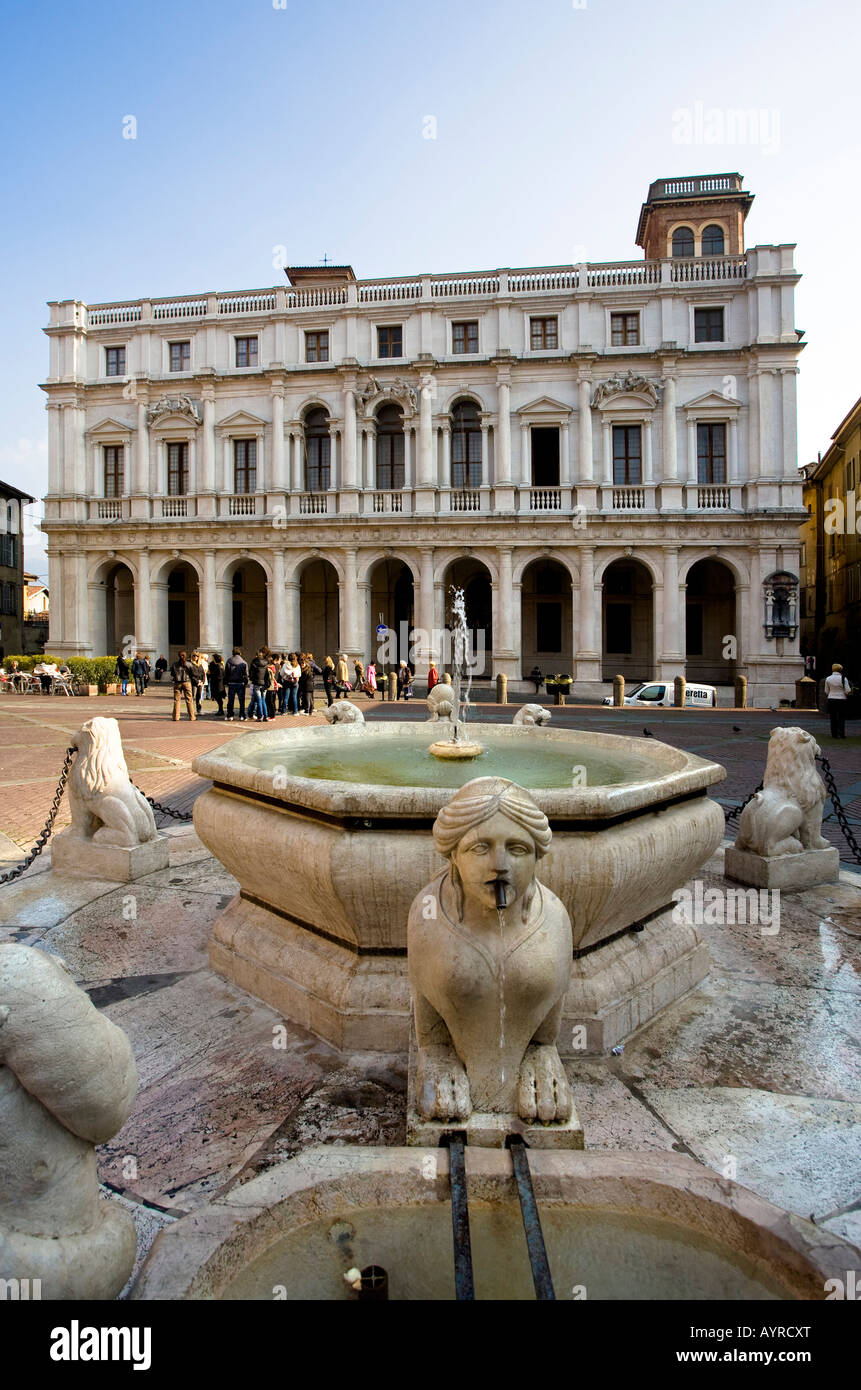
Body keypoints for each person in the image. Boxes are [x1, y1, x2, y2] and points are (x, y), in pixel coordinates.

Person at [824, 663, 852, 739]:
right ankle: (841, 733)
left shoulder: (828, 679)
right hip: (842, 699)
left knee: (833, 717)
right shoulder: (843, 678)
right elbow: (847, 690)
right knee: (841, 717)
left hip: (831, 699)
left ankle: (834, 734)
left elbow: (826, 691)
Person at [170, 650, 196, 722]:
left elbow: (172, 674)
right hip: (187, 682)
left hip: (177, 682)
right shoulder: (189, 664)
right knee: (189, 700)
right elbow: (193, 673)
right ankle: (192, 716)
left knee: (177, 700)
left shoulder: (174, 664)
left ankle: (176, 716)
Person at [225, 647, 248, 721]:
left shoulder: (229, 661)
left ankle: (230, 715)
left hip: (231, 682)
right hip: (240, 683)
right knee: (241, 701)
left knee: (230, 700)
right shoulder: (244, 662)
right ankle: (242, 715)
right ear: (240, 653)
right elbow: (246, 674)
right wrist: (245, 682)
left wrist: (226, 681)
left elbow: (226, 672)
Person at [249, 648, 271, 722]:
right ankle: (266, 716)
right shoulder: (266, 663)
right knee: (263, 700)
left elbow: (251, 674)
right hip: (264, 684)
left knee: (259, 700)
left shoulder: (254, 663)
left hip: (256, 683)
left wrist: (252, 679)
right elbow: (267, 675)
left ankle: (260, 716)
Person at [208, 652, 226, 717]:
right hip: (217, 684)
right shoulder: (217, 665)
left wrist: (211, 674)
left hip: (218, 684)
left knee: (218, 698)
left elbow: (219, 675)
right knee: (218, 698)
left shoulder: (219, 666)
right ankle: (220, 710)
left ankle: (221, 710)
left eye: (213, 658)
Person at [266, 655, 280, 719]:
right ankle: (272, 714)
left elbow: (270, 678)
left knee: (269, 701)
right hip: (273, 685)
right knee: (272, 701)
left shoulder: (269, 669)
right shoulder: (274, 667)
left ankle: (271, 715)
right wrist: (276, 684)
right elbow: (274, 678)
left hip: (270, 686)